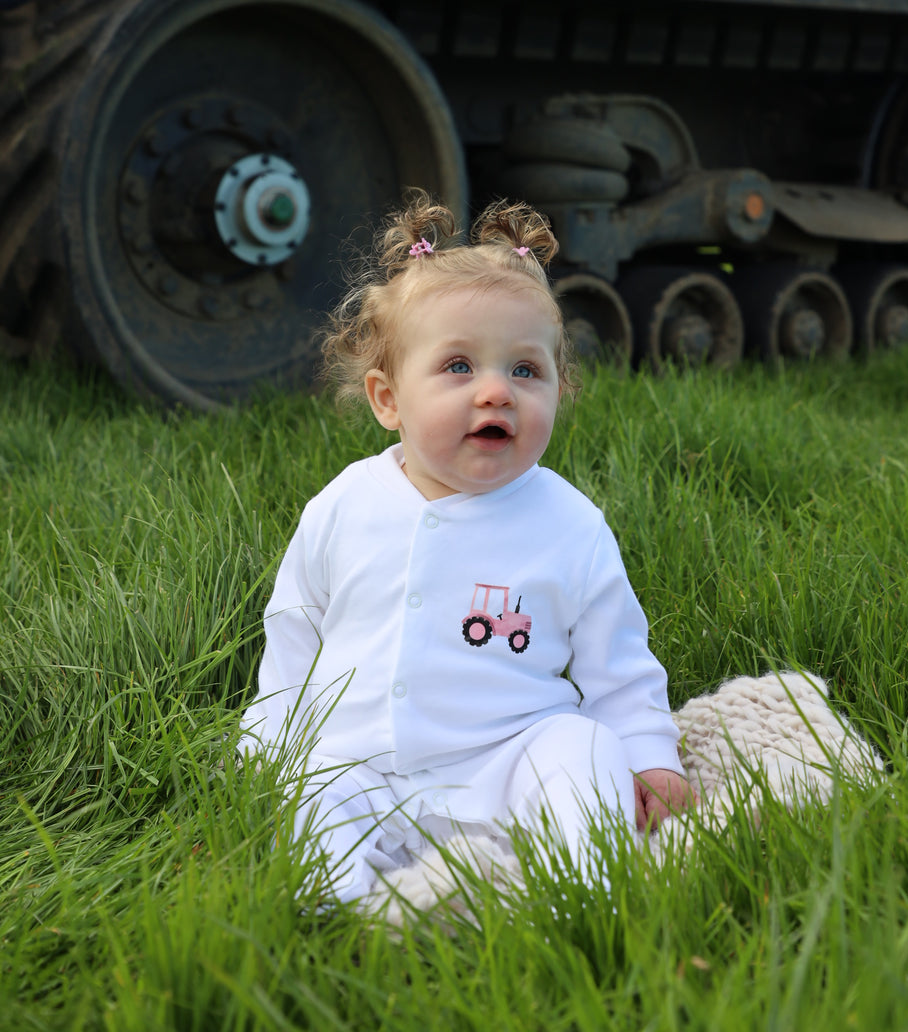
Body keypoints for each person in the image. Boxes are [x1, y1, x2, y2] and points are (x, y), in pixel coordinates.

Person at [240, 191, 691, 904]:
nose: (496, 393)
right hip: (363, 763)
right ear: (388, 400)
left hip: (505, 758)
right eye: (458, 368)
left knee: (581, 750)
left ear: (558, 388)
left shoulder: (569, 524)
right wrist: (269, 743)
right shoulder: (344, 507)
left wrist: (647, 752)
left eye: (525, 371)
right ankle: (337, 908)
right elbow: (295, 635)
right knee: (310, 794)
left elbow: (619, 664)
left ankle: (585, 888)